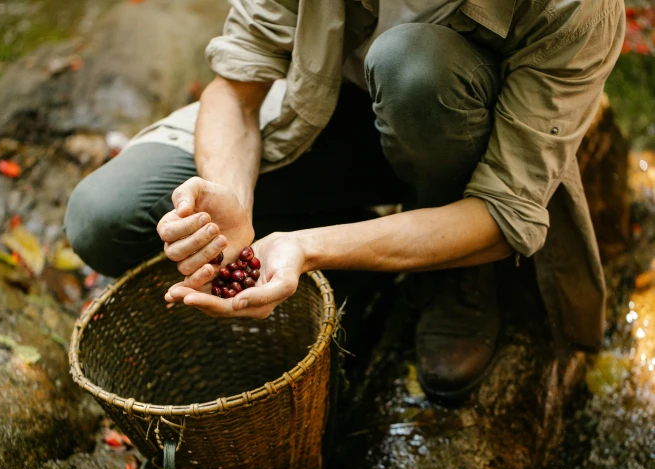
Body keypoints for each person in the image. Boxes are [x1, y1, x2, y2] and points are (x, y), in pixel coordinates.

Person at [64, 0, 624, 402]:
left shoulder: (575, 9)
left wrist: (308, 248)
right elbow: (237, 86)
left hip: (457, 135)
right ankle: (370, 260)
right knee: (106, 218)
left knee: (413, 67)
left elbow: (503, 212)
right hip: (324, 112)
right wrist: (230, 199)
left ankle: (455, 278)